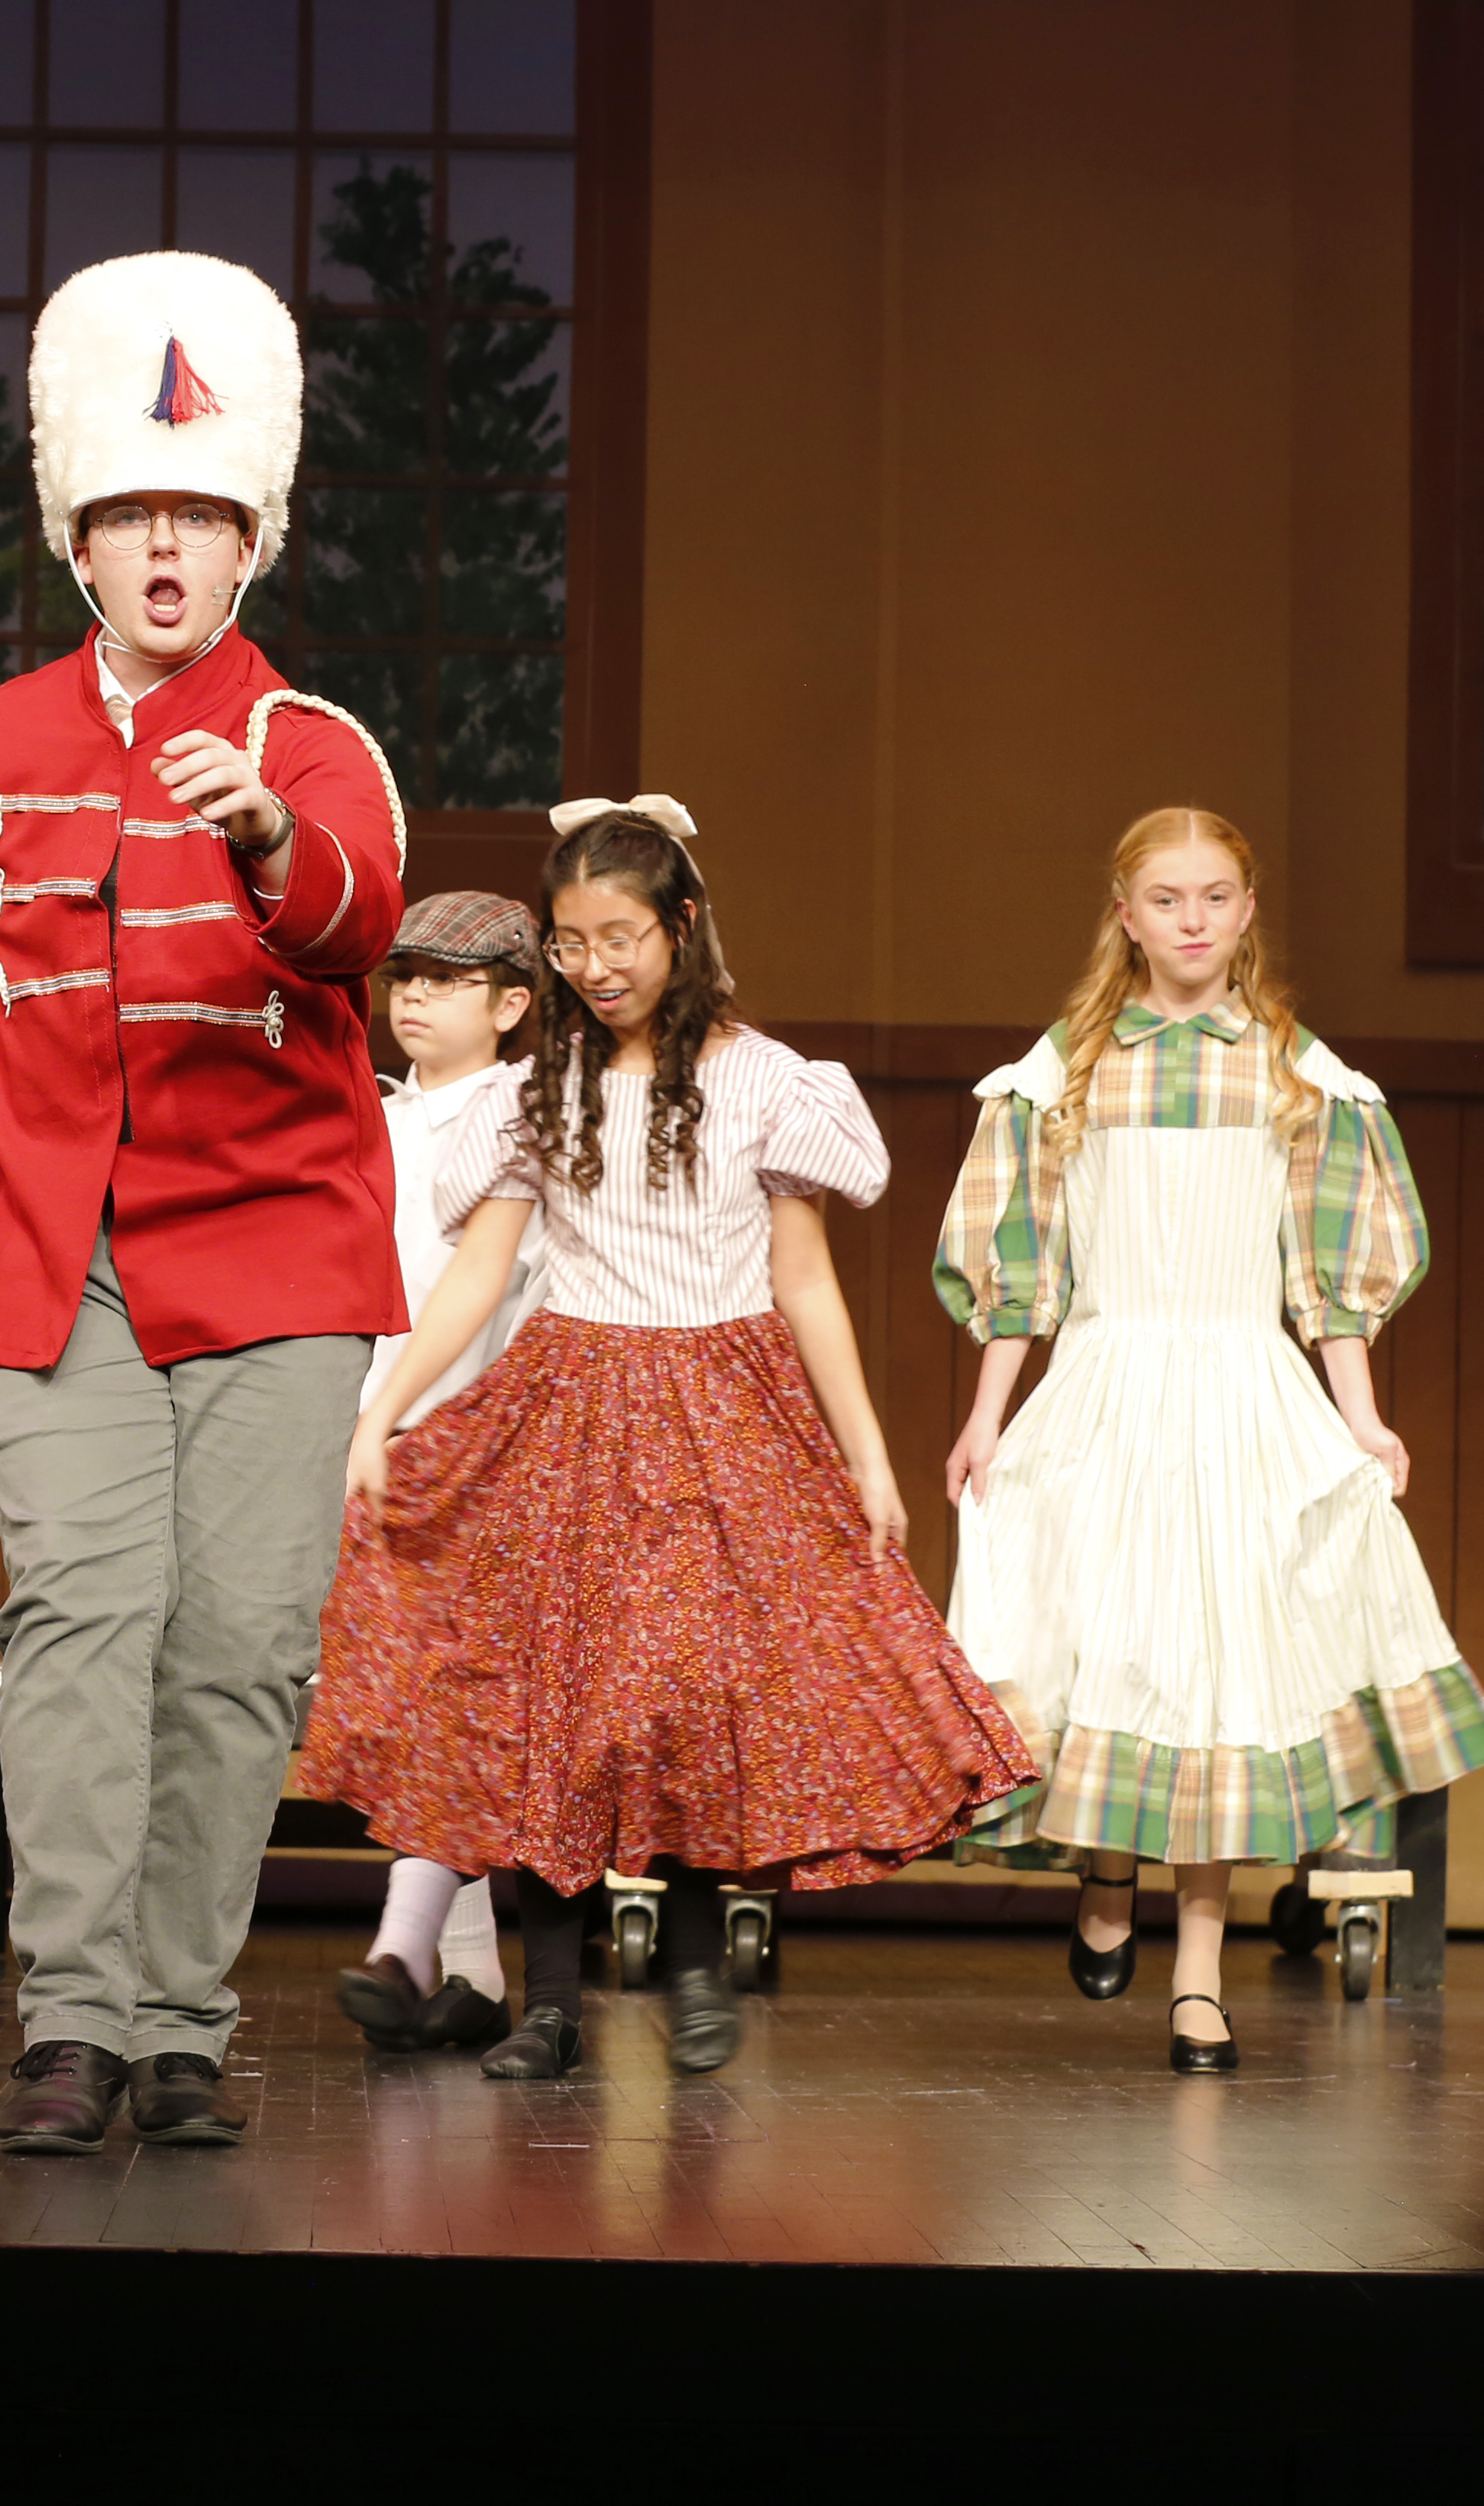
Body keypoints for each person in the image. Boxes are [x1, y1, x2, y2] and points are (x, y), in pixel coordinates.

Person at [0, 251, 408, 2153]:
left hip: (277, 1254)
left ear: (249, 542)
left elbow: (356, 917)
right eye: (130, 514)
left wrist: (263, 833)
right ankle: (73, 2020)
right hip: (56, 1257)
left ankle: (180, 2020)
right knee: (80, 1617)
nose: (164, 545)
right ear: (77, 540)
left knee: (235, 1645)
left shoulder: (313, 744)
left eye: (198, 515)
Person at [302, 799, 1035, 2083]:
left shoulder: (762, 1082)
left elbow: (806, 1281)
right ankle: (550, 2007)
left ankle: (696, 1970)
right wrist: (388, 1406)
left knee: (695, 1692)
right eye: (571, 942)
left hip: (722, 1402)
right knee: (559, 1698)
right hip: (571, 1400)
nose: (595, 965)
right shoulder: (543, 1086)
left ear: (681, 929)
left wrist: (866, 1454)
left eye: (619, 937)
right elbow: (481, 1269)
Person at [934, 806, 1484, 2073]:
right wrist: (988, 1413)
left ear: (1247, 912)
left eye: (1214, 897)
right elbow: (1025, 1260)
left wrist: (1360, 1415)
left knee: (1221, 1668)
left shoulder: (1300, 1076)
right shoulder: (1063, 1074)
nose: (1192, 920)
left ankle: (1198, 1976)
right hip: (1109, 1384)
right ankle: (1106, 1869)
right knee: (1110, 1644)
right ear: (1126, 915)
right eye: (1167, 899)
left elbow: (1325, 1267)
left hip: (1242, 1389)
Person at [332, 892, 547, 2056]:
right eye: (402, 975)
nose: (413, 995)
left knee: (452, 1700)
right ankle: (463, 1970)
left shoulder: (526, 1113)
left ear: (511, 1005)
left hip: (476, 1443)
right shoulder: (368, 1114)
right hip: (367, 1433)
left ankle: (415, 1951)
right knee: (401, 1705)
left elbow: (510, 1289)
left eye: (447, 979)